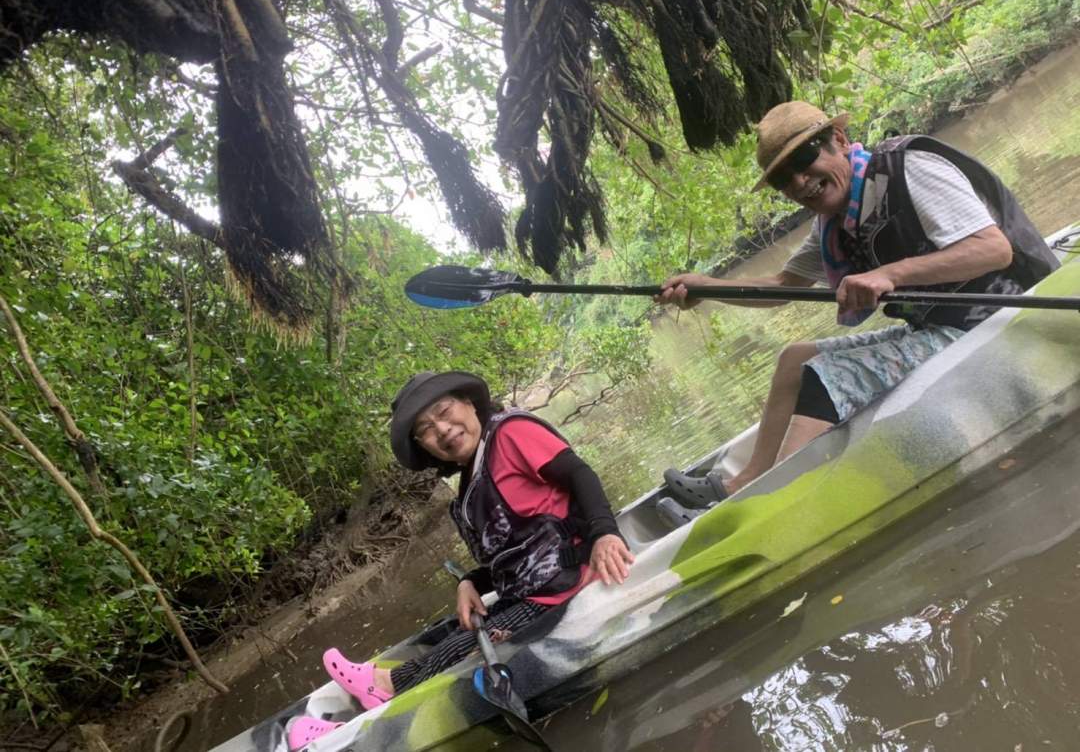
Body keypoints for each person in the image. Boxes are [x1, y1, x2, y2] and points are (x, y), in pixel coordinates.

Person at [654, 100, 1057, 520]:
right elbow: (781, 287)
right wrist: (708, 286)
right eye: (782, 179)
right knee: (796, 359)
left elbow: (993, 250)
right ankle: (743, 484)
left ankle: (763, 512)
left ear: (840, 141)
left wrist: (890, 274)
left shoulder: (908, 169)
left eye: (806, 158)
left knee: (821, 376)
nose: (799, 181)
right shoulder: (834, 222)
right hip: (940, 327)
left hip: (1001, 317)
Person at [288, 371, 635, 750]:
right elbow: (515, 548)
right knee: (455, 628)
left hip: (562, 585)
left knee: (464, 647)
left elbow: (579, 473)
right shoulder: (472, 476)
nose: (443, 429)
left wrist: (605, 533)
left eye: (445, 410)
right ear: (424, 446)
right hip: (531, 588)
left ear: (469, 404)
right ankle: (380, 692)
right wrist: (470, 581)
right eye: (426, 429)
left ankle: (373, 703)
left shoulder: (511, 433)